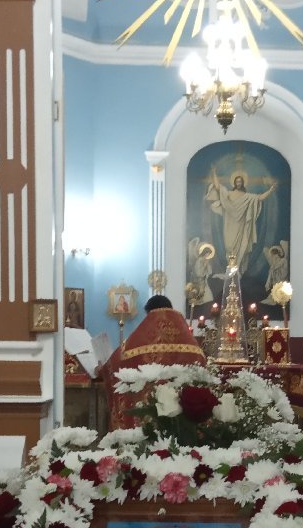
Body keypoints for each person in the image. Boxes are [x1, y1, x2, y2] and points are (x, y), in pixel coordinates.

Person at [100, 294, 206, 429]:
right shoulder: (190, 342)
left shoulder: (141, 339)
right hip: (183, 416)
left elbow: (116, 362)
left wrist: (102, 369)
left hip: (149, 414)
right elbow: (202, 365)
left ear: (150, 313)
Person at [206, 166, 276, 271]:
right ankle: (231, 268)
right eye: (237, 181)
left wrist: (270, 190)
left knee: (241, 247)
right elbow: (218, 187)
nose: (238, 183)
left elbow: (260, 198)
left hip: (241, 227)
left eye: (240, 181)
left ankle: (237, 269)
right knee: (229, 247)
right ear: (234, 183)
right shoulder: (228, 194)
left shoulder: (247, 197)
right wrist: (214, 173)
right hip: (229, 225)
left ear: (242, 183)